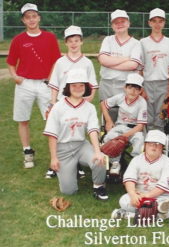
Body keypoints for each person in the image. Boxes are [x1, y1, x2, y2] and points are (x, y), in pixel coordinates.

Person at [6, 3, 61, 168]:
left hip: (45, 83)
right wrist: (15, 76)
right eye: (27, 17)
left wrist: (50, 79)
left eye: (34, 16)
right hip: (25, 84)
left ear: (39, 17)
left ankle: (57, 154)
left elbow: (56, 61)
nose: (31, 19)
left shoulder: (49, 37)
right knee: (23, 119)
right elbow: (10, 62)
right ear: (23, 20)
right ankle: (27, 151)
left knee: (52, 118)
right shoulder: (18, 40)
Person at [43, 69, 108, 199]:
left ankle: (98, 186)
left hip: (81, 145)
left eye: (81, 85)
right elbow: (52, 135)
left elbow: (93, 130)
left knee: (100, 160)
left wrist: (97, 151)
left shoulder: (89, 107)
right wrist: (54, 158)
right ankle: (73, 168)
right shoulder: (58, 107)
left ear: (86, 87)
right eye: (74, 85)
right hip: (63, 149)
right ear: (68, 87)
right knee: (68, 191)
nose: (78, 88)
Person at [45, 25, 99, 179]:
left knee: (78, 134)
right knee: (59, 135)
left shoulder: (87, 62)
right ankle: (55, 165)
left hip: (80, 104)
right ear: (66, 43)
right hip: (63, 105)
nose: (74, 43)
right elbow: (55, 85)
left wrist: (87, 101)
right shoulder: (60, 62)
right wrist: (52, 103)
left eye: (77, 40)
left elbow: (92, 85)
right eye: (70, 41)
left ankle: (76, 165)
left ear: (81, 42)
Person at [111, 130, 169, 219]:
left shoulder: (167, 162)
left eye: (157, 144)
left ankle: (128, 214)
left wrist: (147, 196)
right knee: (124, 200)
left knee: (166, 209)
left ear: (162, 147)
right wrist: (133, 194)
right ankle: (153, 212)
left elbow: (164, 186)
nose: (154, 146)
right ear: (145, 145)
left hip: (160, 197)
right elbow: (129, 179)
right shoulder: (137, 160)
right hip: (139, 195)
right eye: (151, 143)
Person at [98, 9, 142, 121]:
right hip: (107, 84)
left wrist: (110, 63)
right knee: (106, 115)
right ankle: (105, 136)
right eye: (116, 22)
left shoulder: (136, 43)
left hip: (126, 86)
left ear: (128, 23)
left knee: (125, 117)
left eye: (123, 21)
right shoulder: (108, 40)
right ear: (112, 26)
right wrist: (125, 59)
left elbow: (133, 65)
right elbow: (103, 60)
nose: (120, 24)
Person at [100, 73, 147, 175]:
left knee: (139, 140)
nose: (133, 91)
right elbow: (103, 104)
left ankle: (135, 164)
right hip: (120, 126)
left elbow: (140, 126)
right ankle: (115, 163)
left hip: (134, 129)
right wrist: (108, 121)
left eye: (136, 89)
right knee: (110, 137)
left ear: (140, 91)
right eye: (130, 87)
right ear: (125, 88)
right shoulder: (120, 97)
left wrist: (124, 136)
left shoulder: (142, 102)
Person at [140, 8, 169, 131]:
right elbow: (140, 67)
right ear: (149, 23)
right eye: (154, 21)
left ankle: (159, 143)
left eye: (160, 21)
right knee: (147, 115)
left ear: (164, 23)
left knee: (161, 115)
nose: (157, 24)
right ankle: (147, 144)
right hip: (148, 82)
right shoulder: (143, 42)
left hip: (163, 82)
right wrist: (141, 86)